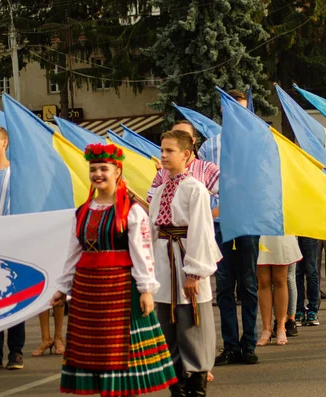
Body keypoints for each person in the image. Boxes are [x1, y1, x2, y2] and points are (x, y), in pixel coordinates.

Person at [51, 143, 177, 396]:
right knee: (95, 349)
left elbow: (142, 252)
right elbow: (73, 252)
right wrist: (63, 288)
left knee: (118, 348)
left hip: (119, 288)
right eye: (93, 169)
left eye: (104, 169)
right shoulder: (83, 211)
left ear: (117, 171)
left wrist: (145, 289)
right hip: (88, 290)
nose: (98, 174)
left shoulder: (131, 211)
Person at [149, 130, 221, 397]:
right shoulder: (159, 190)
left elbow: (202, 231)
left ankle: (196, 388)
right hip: (164, 264)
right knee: (167, 328)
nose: (164, 155)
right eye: (162, 150)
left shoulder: (195, 188)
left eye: (169, 151)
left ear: (186, 155)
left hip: (186, 259)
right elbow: (153, 230)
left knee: (193, 326)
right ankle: (176, 389)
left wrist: (194, 273)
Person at [199, 90, 261, 366]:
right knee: (224, 285)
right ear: (224, 112)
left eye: (243, 110)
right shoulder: (209, 147)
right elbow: (202, 187)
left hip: (247, 224)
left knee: (248, 285)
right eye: (233, 109)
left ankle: (249, 344)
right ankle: (230, 346)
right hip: (219, 224)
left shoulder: (257, 143)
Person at [0, 126, 25, 371]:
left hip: (14, 240)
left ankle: (16, 351)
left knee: (14, 293)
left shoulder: (17, 173)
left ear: (5, 142)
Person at [256, 236, 302, 346]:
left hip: (280, 231)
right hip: (259, 231)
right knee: (263, 281)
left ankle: (281, 326)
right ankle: (266, 329)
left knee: (280, 280)